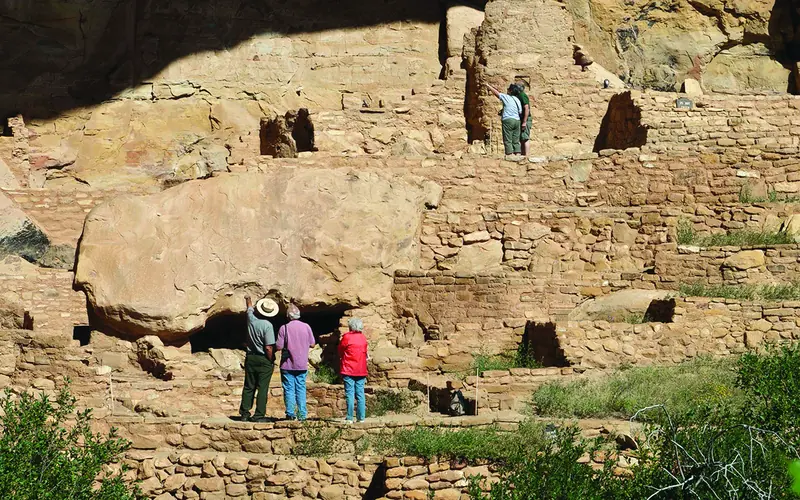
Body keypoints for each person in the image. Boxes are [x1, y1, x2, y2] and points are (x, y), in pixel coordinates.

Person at [239, 296, 278, 422]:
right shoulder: (268, 326)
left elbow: (249, 310)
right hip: (263, 359)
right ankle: (259, 414)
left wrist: (248, 300)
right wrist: (271, 359)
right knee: (262, 387)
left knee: (249, 386)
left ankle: (245, 413)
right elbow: (268, 347)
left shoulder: (251, 320)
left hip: (250, 357)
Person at [275, 304, 316, 421]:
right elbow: (312, 343)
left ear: (288, 316)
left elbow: (279, 346)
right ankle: (302, 414)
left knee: (289, 389)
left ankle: (290, 413)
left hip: (287, 364)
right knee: (301, 388)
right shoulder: (306, 327)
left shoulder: (284, 328)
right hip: (302, 364)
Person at [338, 317, 369, 424]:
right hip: (361, 369)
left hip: (348, 369)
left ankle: (350, 417)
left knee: (350, 393)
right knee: (360, 393)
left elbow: (340, 350)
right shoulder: (363, 338)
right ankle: (361, 418)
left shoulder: (347, 337)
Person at [486, 82, 522, 155]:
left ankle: (509, 154)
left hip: (508, 120)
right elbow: (520, 111)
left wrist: (488, 86)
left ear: (510, 91)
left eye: (508, 89)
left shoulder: (506, 97)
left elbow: (497, 93)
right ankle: (517, 153)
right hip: (517, 120)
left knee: (507, 138)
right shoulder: (517, 100)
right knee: (516, 139)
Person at [513, 83, 533, 156]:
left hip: (526, 119)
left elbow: (526, 108)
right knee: (522, 138)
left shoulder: (522, 95)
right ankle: (523, 154)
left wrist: (524, 121)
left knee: (525, 137)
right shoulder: (519, 96)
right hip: (522, 119)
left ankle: (527, 155)